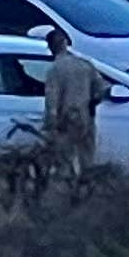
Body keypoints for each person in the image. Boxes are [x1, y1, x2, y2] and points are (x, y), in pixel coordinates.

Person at [38, 22, 112, 174]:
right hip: (86, 119)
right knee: (86, 160)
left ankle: (69, 192)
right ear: (66, 43)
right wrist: (91, 106)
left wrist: (50, 125)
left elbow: (52, 101)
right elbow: (103, 89)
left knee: (64, 162)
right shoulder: (84, 64)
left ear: (51, 47)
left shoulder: (55, 69)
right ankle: (87, 190)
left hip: (65, 122)